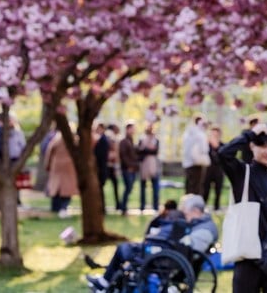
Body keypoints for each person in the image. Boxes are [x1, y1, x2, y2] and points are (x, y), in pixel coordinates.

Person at [219, 122, 267, 293]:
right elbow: (223, 154)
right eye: (262, 146)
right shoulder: (242, 173)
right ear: (252, 147)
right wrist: (249, 134)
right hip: (248, 255)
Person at [86, 194, 218, 292]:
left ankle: (104, 283)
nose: (184, 216)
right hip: (170, 255)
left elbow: (187, 247)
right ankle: (108, 282)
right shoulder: (202, 225)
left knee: (123, 249)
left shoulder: (205, 229)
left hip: (167, 257)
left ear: (195, 211)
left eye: (186, 212)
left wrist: (159, 236)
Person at [45, 130, 78, 216]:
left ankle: (56, 208)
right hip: (69, 166)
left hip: (57, 165)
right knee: (67, 189)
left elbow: (49, 151)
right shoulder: (74, 139)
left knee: (57, 188)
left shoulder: (56, 139)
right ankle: (63, 208)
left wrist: (47, 165)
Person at [182, 116, 210, 195]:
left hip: (187, 163)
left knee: (189, 185)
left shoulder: (187, 133)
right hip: (196, 163)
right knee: (196, 186)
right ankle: (194, 204)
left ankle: (187, 203)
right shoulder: (200, 134)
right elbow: (204, 149)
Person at [138, 123, 161, 213]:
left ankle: (155, 207)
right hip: (144, 165)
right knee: (143, 187)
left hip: (153, 165)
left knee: (155, 187)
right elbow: (140, 150)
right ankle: (142, 206)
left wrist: (148, 149)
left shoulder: (156, 140)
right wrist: (148, 148)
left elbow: (155, 150)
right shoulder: (142, 139)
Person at [118, 122, 139, 215]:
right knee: (128, 188)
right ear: (127, 129)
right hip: (127, 169)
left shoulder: (131, 141)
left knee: (129, 188)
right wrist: (129, 166)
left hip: (133, 169)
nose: (134, 130)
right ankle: (123, 208)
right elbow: (123, 156)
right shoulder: (124, 141)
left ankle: (123, 207)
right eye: (132, 128)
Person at [202, 126, 225, 211]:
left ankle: (217, 206)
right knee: (205, 189)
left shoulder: (223, 145)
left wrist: (217, 148)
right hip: (208, 170)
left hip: (219, 170)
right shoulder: (206, 145)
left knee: (218, 190)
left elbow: (222, 158)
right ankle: (203, 206)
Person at [93, 123, 111, 211]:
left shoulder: (103, 140)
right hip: (100, 168)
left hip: (101, 168)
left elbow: (100, 155)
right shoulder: (101, 139)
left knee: (100, 190)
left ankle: (101, 208)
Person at [106, 125, 122, 212]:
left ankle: (118, 204)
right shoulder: (110, 137)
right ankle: (117, 204)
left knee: (115, 186)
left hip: (112, 166)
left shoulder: (113, 139)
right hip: (108, 166)